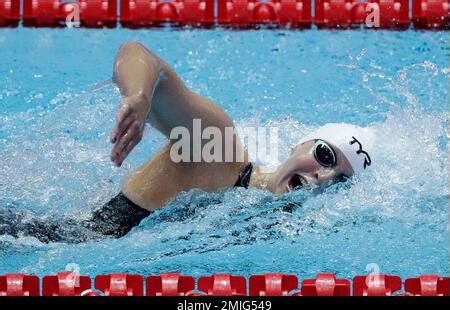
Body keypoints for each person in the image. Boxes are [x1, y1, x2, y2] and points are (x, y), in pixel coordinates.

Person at [0, 42, 374, 244]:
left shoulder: (282, 231)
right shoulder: (218, 150)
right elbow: (140, 55)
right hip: (43, 236)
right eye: (325, 155)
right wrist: (141, 96)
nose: (323, 177)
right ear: (299, 144)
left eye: (341, 179)